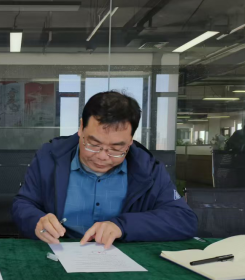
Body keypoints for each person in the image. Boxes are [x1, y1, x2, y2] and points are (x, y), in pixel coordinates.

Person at [12, 91, 198, 248]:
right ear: (81, 128)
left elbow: (183, 219)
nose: (102, 156)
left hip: (122, 257)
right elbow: (23, 204)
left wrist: (123, 226)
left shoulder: (148, 169)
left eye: (116, 149)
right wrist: (36, 220)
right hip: (60, 252)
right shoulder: (50, 157)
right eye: (93, 144)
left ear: (130, 141)